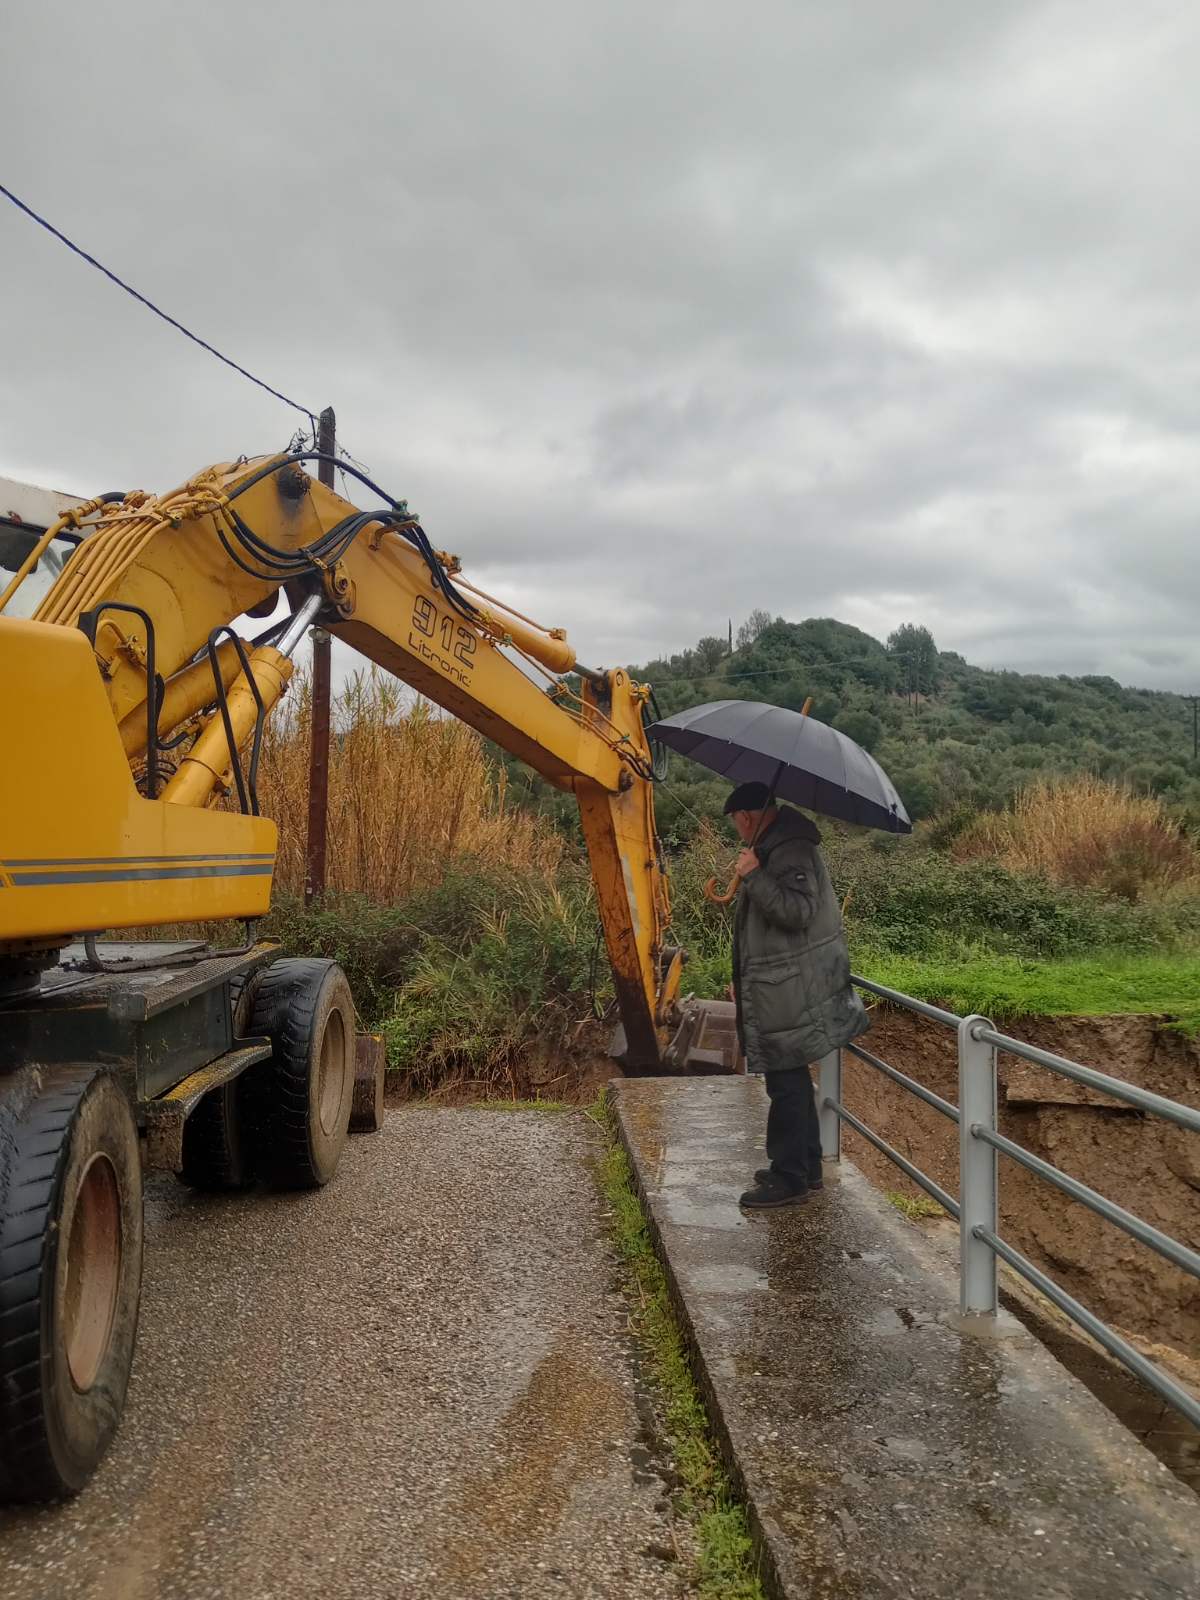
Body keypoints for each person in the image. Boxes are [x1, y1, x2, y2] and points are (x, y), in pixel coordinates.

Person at [724, 780, 869, 1209]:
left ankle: (788, 1179)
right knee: (791, 1078)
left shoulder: (788, 850)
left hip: (790, 988)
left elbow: (797, 912)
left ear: (747, 818)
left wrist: (754, 876)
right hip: (780, 983)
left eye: (736, 824)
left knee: (784, 1081)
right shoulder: (778, 846)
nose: (738, 832)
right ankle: (805, 1167)